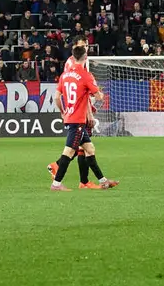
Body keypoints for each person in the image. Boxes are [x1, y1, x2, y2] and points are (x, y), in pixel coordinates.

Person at [47, 42, 118, 191]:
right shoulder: (86, 75)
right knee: (69, 151)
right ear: (85, 57)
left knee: (89, 149)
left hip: (70, 116)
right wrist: (100, 93)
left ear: (73, 57)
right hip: (78, 120)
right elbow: (98, 97)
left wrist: (63, 111)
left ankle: (103, 181)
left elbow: (56, 97)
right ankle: (56, 184)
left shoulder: (64, 75)